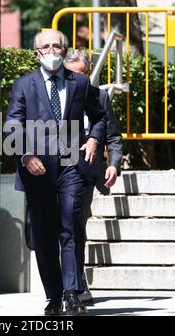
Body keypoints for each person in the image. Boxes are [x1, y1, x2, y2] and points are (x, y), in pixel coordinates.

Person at [6, 29, 107, 316]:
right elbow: (12, 124)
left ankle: (72, 293)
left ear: (64, 50)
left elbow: (99, 116)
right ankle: (53, 295)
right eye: (45, 46)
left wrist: (93, 138)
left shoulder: (80, 82)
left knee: (70, 226)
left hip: (71, 166)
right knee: (44, 234)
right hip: (37, 169)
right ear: (37, 53)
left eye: (56, 45)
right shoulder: (23, 85)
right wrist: (26, 155)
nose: (51, 51)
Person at [63, 48, 123, 305]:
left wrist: (114, 164)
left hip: (87, 169)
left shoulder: (99, 96)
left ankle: (76, 284)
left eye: (82, 75)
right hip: (59, 167)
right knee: (65, 226)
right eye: (71, 75)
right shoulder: (56, 95)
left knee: (76, 225)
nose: (77, 81)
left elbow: (113, 134)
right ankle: (70, 284)